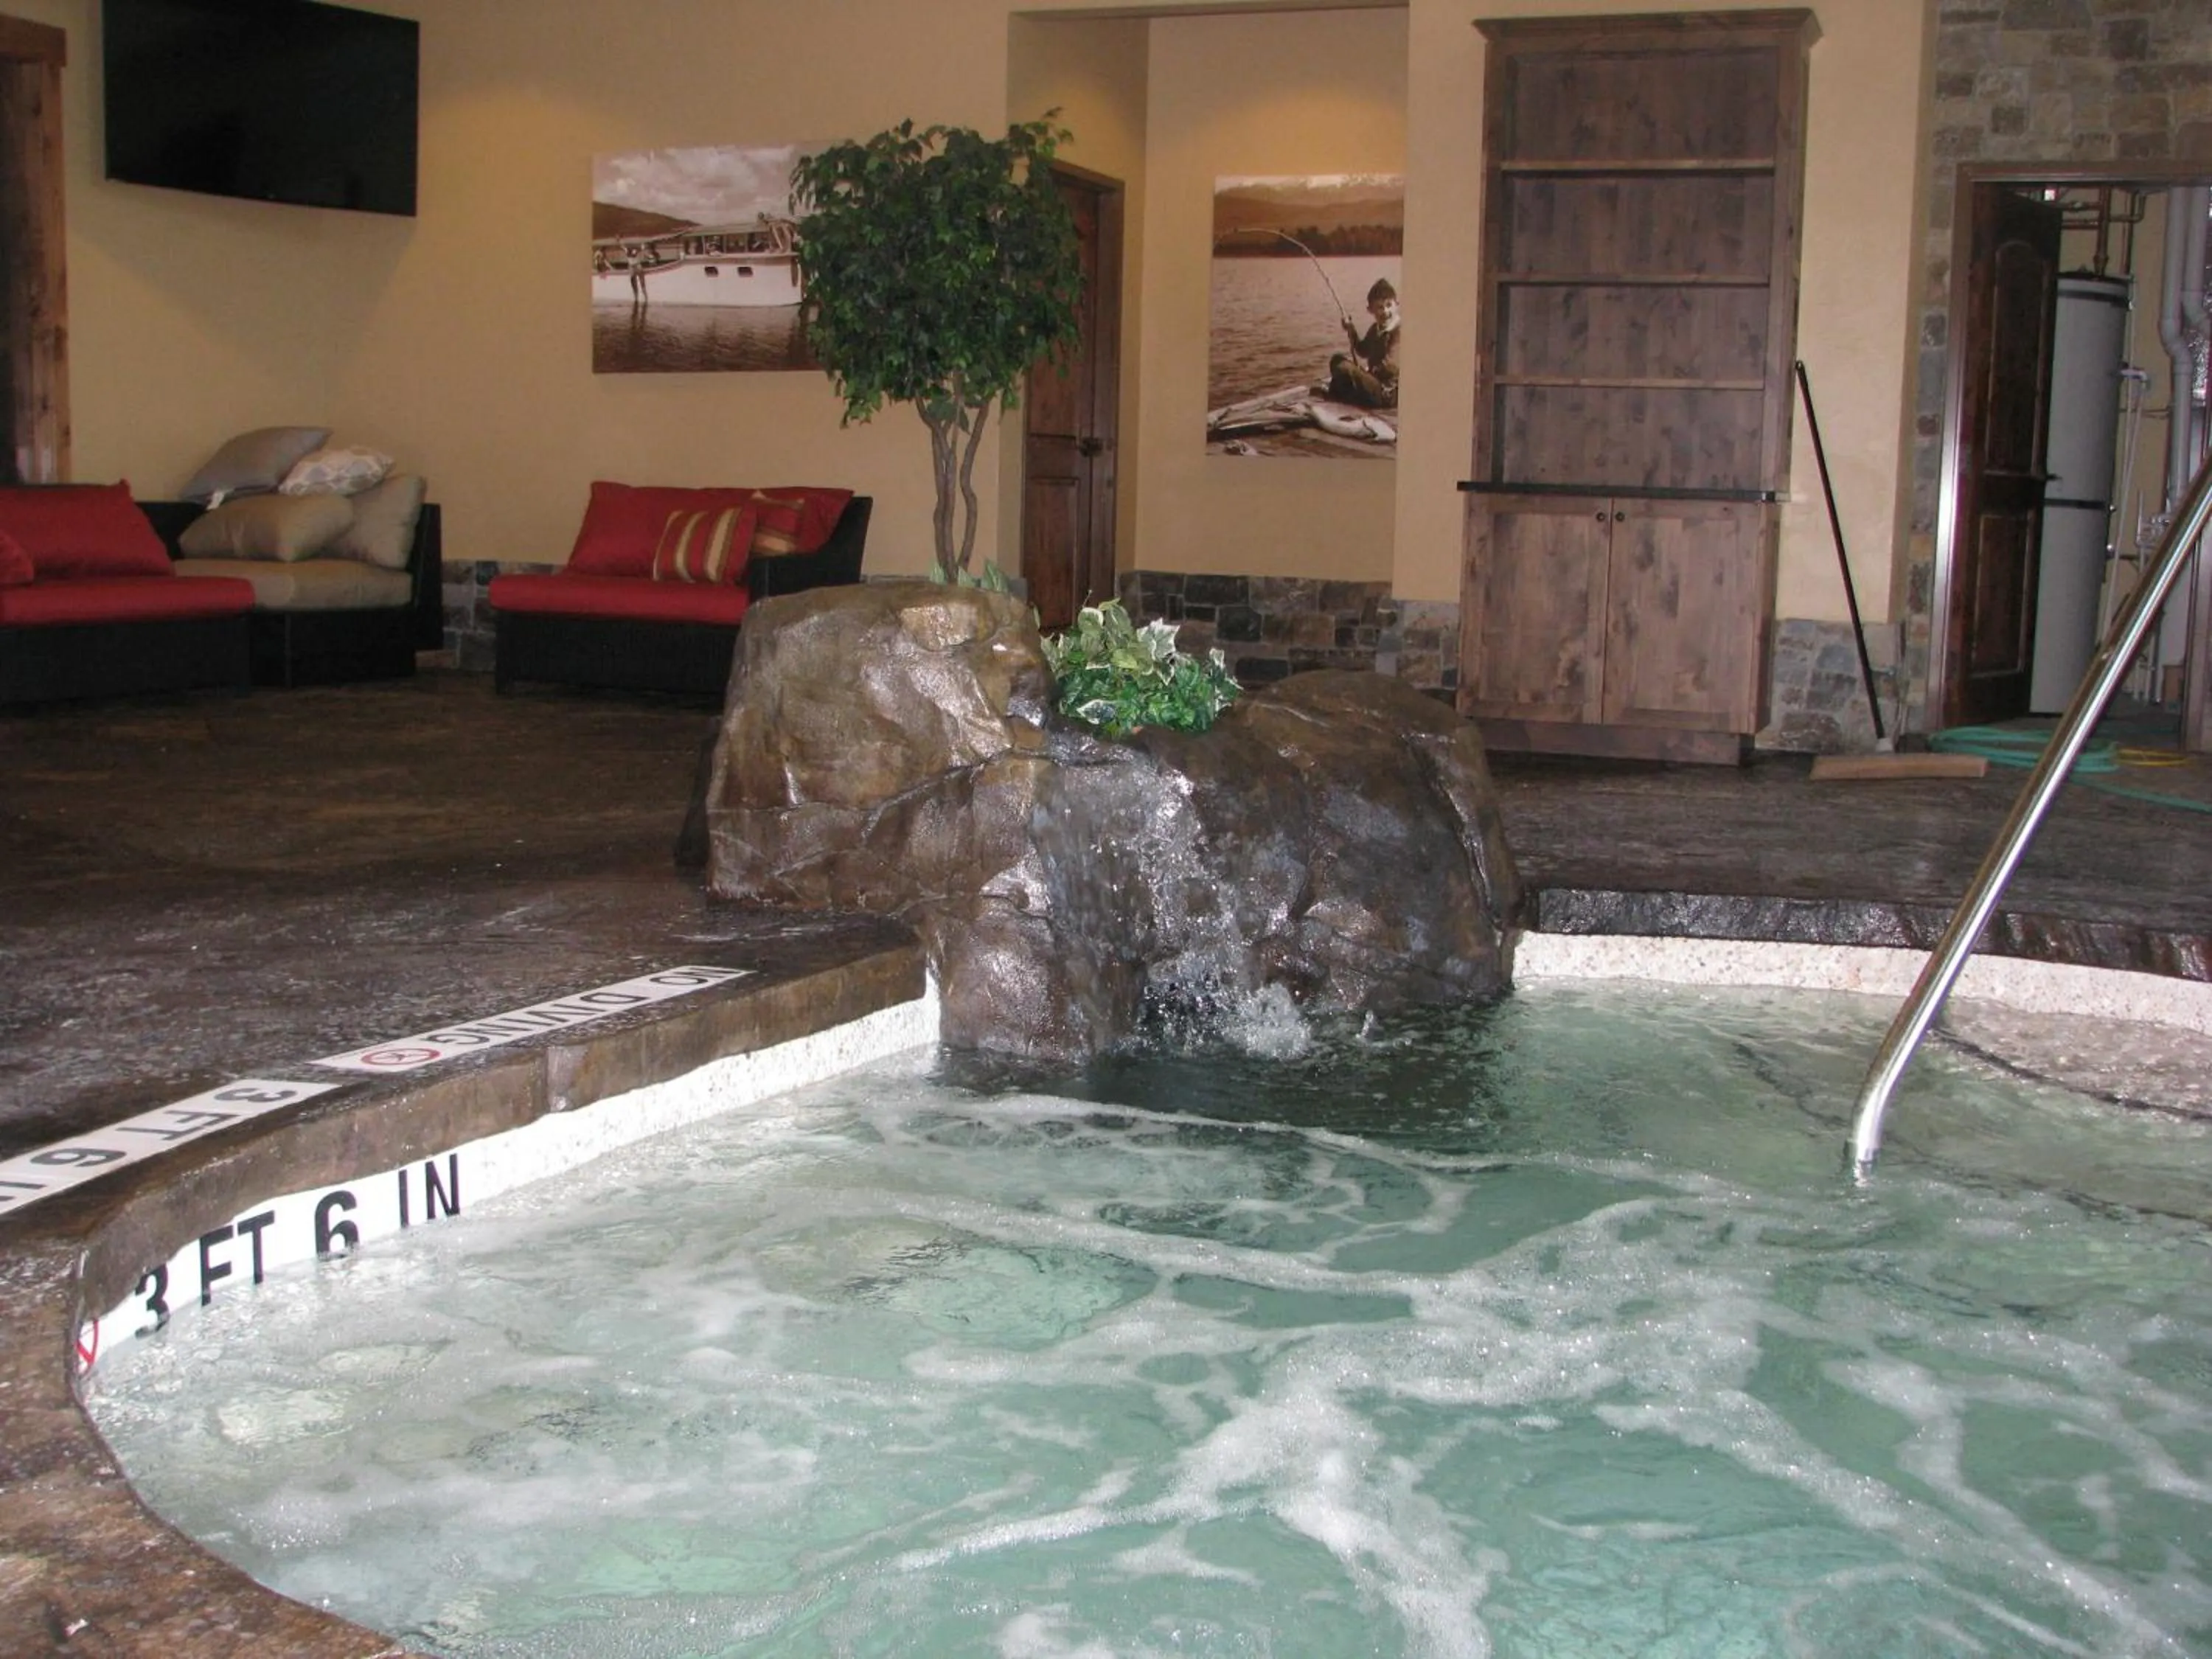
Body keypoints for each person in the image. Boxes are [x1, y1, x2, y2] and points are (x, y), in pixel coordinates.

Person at [1327, 277, 1400, 409]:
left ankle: (1344, 393)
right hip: (1374, 384)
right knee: (1336, 360)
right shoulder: (1375, 329)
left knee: (1346, 369)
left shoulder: (1399, 331)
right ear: (1370, 310)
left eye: (1389, 305)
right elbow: (1363, 350)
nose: (1385, 311)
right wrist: (1351, 330)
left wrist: (1365, 373)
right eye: (1380, 307)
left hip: (1388, 393)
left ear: (1397, 304)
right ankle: (1346, 392)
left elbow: (1391, 366)